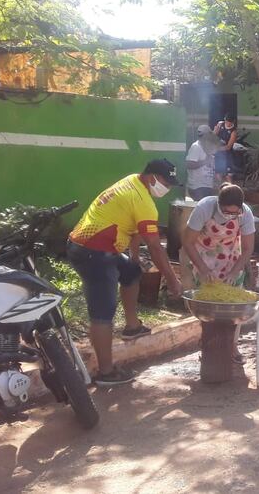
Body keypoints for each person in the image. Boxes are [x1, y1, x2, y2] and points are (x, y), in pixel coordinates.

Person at [67, 159, 183, 386]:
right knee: (102, 313)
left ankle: (132, 327)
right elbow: (155, 246)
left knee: (130, 271)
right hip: (94, 252)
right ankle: (106, 373)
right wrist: (173, 281)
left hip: (93, 245)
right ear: (152, 178)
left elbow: (134, 227)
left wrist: (134, 257)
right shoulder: (143, 202)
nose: (167, 188)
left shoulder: (132, 182)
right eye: (166, 183)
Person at [182, 183, 256, 364]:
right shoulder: (204, 208)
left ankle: (232, 345)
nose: (230, 216)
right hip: (204, 255)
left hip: (231, 255)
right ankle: (208, 343)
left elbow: (248, 248)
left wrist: (234, 272)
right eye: (226, 212)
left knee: (233, 307)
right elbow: (188, 241)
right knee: (208, 305)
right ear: (218, 203)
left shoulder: (245, 214)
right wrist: (203, 268)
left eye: (234, 213)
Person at [186, 124, 219, 201]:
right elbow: (189, 164)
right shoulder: (196, 147)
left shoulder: (208, 147)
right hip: (198, 187)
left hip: (207, 186)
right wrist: (205, 161)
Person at [213, 115, 238, 183]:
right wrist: (215, 130)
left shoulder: (234, 132)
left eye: (229, 122)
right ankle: (220, 190)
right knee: (218, 173)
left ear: (233, 122)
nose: (228, 123)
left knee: (228, 175)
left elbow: (228, 147)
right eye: (226, 121)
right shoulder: (220, 124)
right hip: (218, 154)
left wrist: (217, 149)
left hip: (227, 155)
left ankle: (230, 189)